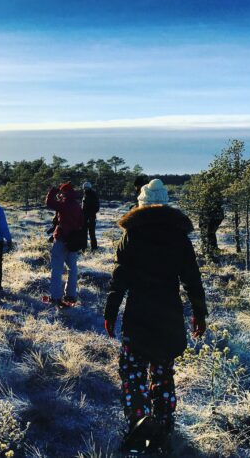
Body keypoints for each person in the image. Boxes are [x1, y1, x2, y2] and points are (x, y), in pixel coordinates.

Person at [103, 178, 207, 454]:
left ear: (142, 204)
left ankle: (139, 423)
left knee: (132, 371)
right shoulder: (179, 237)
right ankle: (163, 426)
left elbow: (119, 277)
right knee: (163, 373)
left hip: (138, 316)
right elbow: (192, 279)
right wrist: (199, 313)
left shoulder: (133, 235)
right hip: (169, 317)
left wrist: (110, 311)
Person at [44, 182, 84, 307]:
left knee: (57, 268)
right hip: (74, 241)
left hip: (61, 239)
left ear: (64, 193)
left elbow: (49, 203)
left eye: (61, 192)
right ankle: (71, 295)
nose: (60, 194)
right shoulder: (77, 205)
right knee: (73, 268)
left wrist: (53, 191)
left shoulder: (64, 204)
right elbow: (82, 222)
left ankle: (55, 297)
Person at [81, 181, 100, 251]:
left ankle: (94, 249)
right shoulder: (85, 195)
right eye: (84, 188)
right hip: (84, 218)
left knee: (92, 234)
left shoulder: (93, 195)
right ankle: (84, 249)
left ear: (89, 188)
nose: (85, 189)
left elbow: (96, 208)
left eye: (86, 188)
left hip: (91, 218)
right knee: (84, 234)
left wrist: (90, 216)